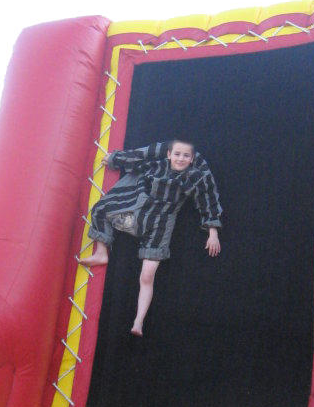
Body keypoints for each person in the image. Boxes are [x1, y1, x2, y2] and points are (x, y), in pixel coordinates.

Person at [80, 140, 222, 336]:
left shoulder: (195, 177)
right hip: (138, 210)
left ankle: (138, 322)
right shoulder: (157, 165)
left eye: (186, 156)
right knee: (100, 209)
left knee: (147, 276)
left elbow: (207, 199)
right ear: (169, 154)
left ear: (192, 159)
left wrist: (212, 232)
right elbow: (137, 161)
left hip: (160, 224)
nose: (181, 158)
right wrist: (115, 158)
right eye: (177, 154)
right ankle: (101, 253)